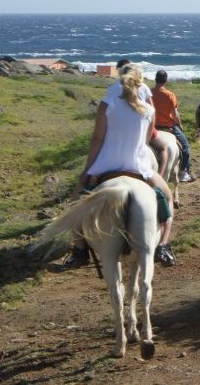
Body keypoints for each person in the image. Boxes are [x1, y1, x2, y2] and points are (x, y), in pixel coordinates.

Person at [64, 64, 177, 267]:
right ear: (140, 81)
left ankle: (79, 250)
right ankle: (163, 246)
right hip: (138, 165)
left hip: (107, 163)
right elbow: (146, 139)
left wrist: (87, 170)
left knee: (75, 204)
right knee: (167, 197)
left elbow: (98, 139)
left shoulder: (107, 103)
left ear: (120, 78)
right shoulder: (148, 109)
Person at [152, 70, 195, 183]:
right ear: (165, 81)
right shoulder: (169, 95)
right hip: (168, 126)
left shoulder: (149, 93)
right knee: (186, 148)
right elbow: (175, 114)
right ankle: (183, 172)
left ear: (155, 79)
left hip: (152, 126)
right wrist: (180, 125)